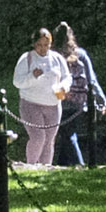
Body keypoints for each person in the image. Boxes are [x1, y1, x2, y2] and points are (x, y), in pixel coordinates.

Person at [11, 28, 70, 166]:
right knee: (38, 137)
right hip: (31, 103)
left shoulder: (57, 59)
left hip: (53, 105)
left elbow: (67, 77)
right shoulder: (27, 58)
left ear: (50, 44)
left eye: (46, 45)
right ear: (34, 44)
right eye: (39, 45)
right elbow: (17, 82)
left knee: (49, 139)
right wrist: (32, 76)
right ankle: (31, 166)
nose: (43, 49)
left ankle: (45, 169)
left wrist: (63, 87)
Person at [53, 22, 105, 167]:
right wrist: (101, 100)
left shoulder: (53, 56)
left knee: (68, 134)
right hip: (80, 101)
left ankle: (80, 164)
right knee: (67, 132)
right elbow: (91, 79)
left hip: (60, 99)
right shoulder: (81, 54)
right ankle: (61, 165)